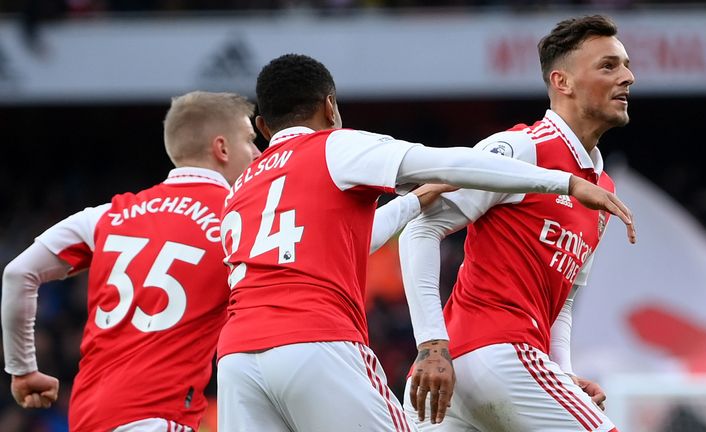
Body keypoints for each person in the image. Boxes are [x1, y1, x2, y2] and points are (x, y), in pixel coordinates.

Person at [216, 53, 636, 432]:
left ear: (264, 127)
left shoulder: (242, 187)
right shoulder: (334, 146)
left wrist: (414, 202)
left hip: (237, 359)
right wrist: (563, 182)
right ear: (330, 105)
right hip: (314, 339)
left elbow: (345, 245)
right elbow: (450, 162)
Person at [399, 15, 635, 431]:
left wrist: (561, 373)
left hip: (485, 372)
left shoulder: (602, 189)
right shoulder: (520, 148)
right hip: (492, 353)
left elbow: (559, 306)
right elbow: (420, 227)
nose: (628, 77)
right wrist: (431, 345)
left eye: (625, 64)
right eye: (608, 66)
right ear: (562, 82)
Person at [1, 91, 259, 432]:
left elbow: (19, 273)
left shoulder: (109, 214)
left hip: (89, 417)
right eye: (251, 141)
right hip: (159, 417)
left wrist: (23, 370)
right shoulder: (240, 219)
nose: (257, 154)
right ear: (222, 148)